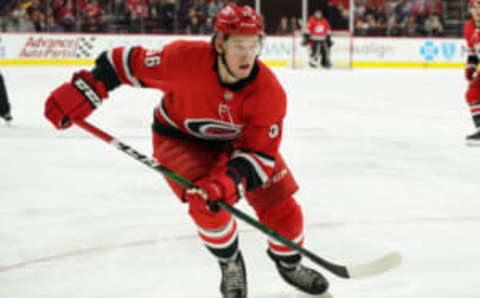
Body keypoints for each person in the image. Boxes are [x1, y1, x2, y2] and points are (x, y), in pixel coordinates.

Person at [43, 5, 329, 298]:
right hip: (180, 139)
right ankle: (230, 263)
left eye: (254, 45)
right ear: (220, 44)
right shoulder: (182, 60)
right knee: (205, 206)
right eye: (240, 46)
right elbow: (122, 63)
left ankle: (289, 264)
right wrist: (87, 89)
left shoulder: (269, 93)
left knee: (284, 210)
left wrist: (228, 182)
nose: (248, 55)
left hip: (239, 145)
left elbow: (259, 156)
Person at [464, 0, 480, 145]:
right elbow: (472, 51)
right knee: (472, 93)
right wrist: (470, 66)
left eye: (479, 6)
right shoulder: (469, 27)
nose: (476, 10)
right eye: (473, 7)